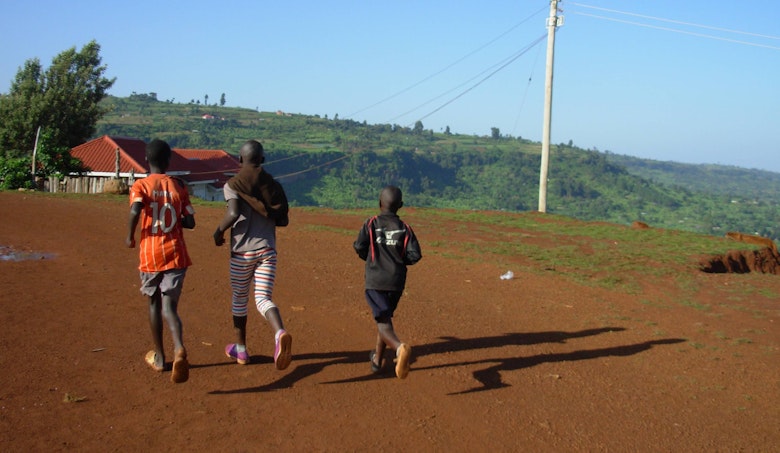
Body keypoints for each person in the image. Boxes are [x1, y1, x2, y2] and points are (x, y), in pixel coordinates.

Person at [213, 139, 293, 370]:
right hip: (267, 250)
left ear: (240, 160)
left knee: (240, 299)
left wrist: (218, 231)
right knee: (263, 298)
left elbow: (233, 212)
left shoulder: (233, 184)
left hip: (242, 252)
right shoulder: (272, 185)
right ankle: (279, 333)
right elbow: (283, 218)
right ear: (263, 160)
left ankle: (241, 350)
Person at [126, 139, 195, 384]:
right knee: (170, 308)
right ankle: (179, 347)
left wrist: (129, 236)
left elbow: (135, 210)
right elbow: (190, 222)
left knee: (153, 305)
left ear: (147, 159)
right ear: (168, 160)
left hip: (150, 255)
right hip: (175, 254)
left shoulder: (140, 185)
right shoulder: (178, 186)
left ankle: (160, 357)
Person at [353, 185, 422, 379]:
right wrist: (399, 262)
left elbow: (359, 246)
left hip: (376, 281)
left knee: (383, 321)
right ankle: (377, 360)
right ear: (400, 205)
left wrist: (371, 259)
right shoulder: (405, 228)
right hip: (396, 283)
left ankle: (400, 349)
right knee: (384, 319)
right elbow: (415, 255)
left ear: (379, 203)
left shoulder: (371, 223)